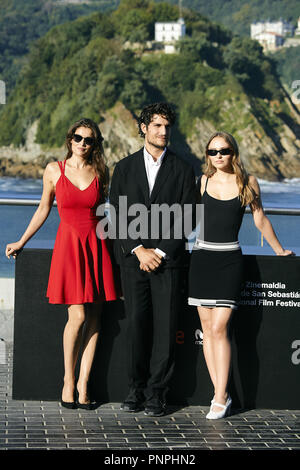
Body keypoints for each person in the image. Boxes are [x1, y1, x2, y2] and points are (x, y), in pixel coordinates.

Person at [5, 118, 119, 409]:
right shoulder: (54, 170)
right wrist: (21, 241)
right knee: (78, 317)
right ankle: (68, 380)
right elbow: (44, 208)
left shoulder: (101, 171)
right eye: (78, 137)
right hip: (69, 247)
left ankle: (84, 383)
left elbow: (106, 212)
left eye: (89, 139)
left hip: (97, 246)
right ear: (70, 140)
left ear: (95, 144)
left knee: (96, 319)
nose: (83, 143)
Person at [188, 131, 294, 420]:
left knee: (220, 327)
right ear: (207, 155)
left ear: (233, 152)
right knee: (208, 329)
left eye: (223, 150)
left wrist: (279, 249)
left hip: (229, 260)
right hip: (201, 259)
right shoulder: (202, 182)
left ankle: (221, 397)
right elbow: (184, 219)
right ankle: (219, 393)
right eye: (212, 152)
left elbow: (260, 218)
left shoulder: (248, 183)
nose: (218, 156)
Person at [109, 102, 196, 416]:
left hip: (169, 262)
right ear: (144, 128)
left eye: (167, 126)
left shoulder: (184, 169)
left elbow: (188, 216)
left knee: (166, 328)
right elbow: (116, 214)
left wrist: (158, 251)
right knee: (136, 325)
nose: (163, 131)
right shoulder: (124, 167)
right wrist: (139, 249)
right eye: (157, 125)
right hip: (133, 261)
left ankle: (157, 393)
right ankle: (135, 389)